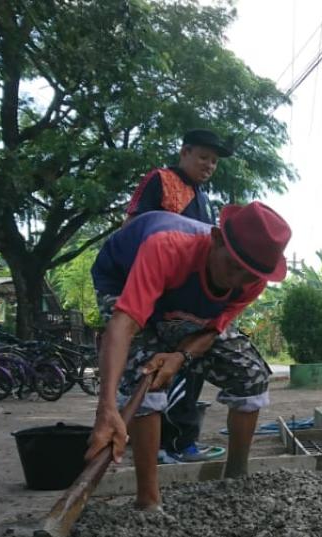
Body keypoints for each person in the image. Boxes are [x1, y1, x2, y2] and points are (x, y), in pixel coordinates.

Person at [86, 204, 291, 514]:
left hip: (181, 301)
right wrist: (107, 409)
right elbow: (124, 323)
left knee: (250, 375)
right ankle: (148, 501)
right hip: (124, 276)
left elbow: (212, 329)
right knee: (144, 372)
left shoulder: (254, 277)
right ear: (217, 238)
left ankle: (236, 480)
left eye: (247, 276)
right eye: (231, 267)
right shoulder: (166, 247)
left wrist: (180, 356)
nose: (236, 281)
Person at [124, 128, 234, 463]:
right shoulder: (161, 180)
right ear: (184, 152)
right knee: (150, 367)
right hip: (155, 288)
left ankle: (181, 441)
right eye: (203, 157)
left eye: (214, 161)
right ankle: (152, 444)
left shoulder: (202, 198)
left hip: (189, 298)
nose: (209, 165)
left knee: (190, 365)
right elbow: (138, 227)